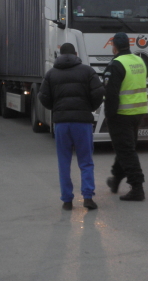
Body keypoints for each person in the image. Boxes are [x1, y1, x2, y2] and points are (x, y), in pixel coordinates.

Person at [39, 43, 105, 211]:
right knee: (86, 161)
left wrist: (56, 108)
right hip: (82, 122)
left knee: (64, 162)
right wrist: (89, 107)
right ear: (75, 54)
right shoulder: (87, 71)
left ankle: (67, 200)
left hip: (61, 123)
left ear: (59, 55)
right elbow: (98, 92)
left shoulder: (51, 74)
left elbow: (43, 96)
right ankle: (88, 197)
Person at [103, 32, 147, 201]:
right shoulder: (139, 61)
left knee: (126, 151)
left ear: (114, 46)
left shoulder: (116, 64)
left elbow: (111, 94)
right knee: (125, 147)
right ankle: (115, 179)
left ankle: (137, 187)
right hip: (138, 112)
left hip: (121, 114)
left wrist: (109, 115)